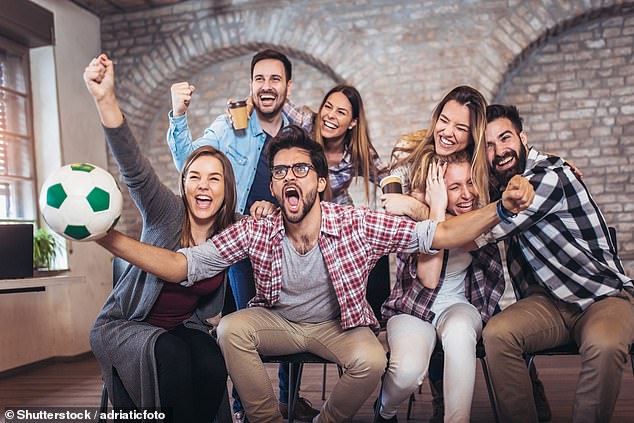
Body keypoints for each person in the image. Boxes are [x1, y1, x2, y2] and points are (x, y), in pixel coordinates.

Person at [93, 124, 535, 422]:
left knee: (373, 359)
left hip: (336, 327)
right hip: (278, 322)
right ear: (274, 184)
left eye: (301, 169)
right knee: (230, 329)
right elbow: (181, 265)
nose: (290, 176)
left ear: (320, 182)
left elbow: (436, 234)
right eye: (281, 170)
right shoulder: (258, 226)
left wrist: (499, 208)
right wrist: (107, 237)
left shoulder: (355, 223)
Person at [168, 49, 317, 421]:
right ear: (252, 85)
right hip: (241, 241)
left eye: (275, 79)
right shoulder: (231, 125)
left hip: (289, 243)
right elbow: (189, 160)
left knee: (289, 318)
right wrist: (179, 114)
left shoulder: (296, 133)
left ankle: (287, 398)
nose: (267, 87)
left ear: (288, 86)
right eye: (260, 79)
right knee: (245, 324)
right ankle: (244, 407)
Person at [84, 54, 234, 422]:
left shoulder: (234, 228)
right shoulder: (167, 211)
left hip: (183, 326)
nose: (203, 185)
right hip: (128, 325)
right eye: (194, 176)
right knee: (174, 360)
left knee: (214, 364)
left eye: (214, 178)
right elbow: (133, 167)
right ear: (183, 184)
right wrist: (105, 99)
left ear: (226, 189)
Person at [480, 104, 634, 423]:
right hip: (549, 303)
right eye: (488, 146)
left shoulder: (549, 176)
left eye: (505, 138)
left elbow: (480, 234)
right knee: (497, 334)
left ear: (523, 137)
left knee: (605, 345)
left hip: (602, 297)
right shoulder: (498, 187)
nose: (499, 151)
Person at [377, 151, 505, 423]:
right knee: (407, 373)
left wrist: (423, 207)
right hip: (412, 309)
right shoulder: (415, 222)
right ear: (437, 190)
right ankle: (385, 412)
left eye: (470, 183)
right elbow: (429, 277)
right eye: (454, 187)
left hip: (460, 305)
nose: (467, 194)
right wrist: (434, 210)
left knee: (459, 332)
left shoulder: (482, 218)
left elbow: (464, 235)